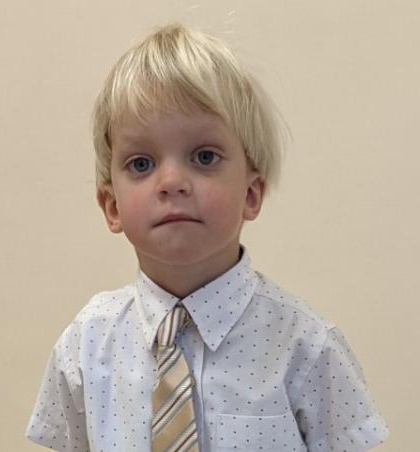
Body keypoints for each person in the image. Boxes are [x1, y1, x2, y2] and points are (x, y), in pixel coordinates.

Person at [25, 22, 389, 451]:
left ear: (251, 194)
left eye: (204, 157)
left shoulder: (307, 350)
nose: (172, 182)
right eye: (141, 163)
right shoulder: (85, 345)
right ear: (111, 205)